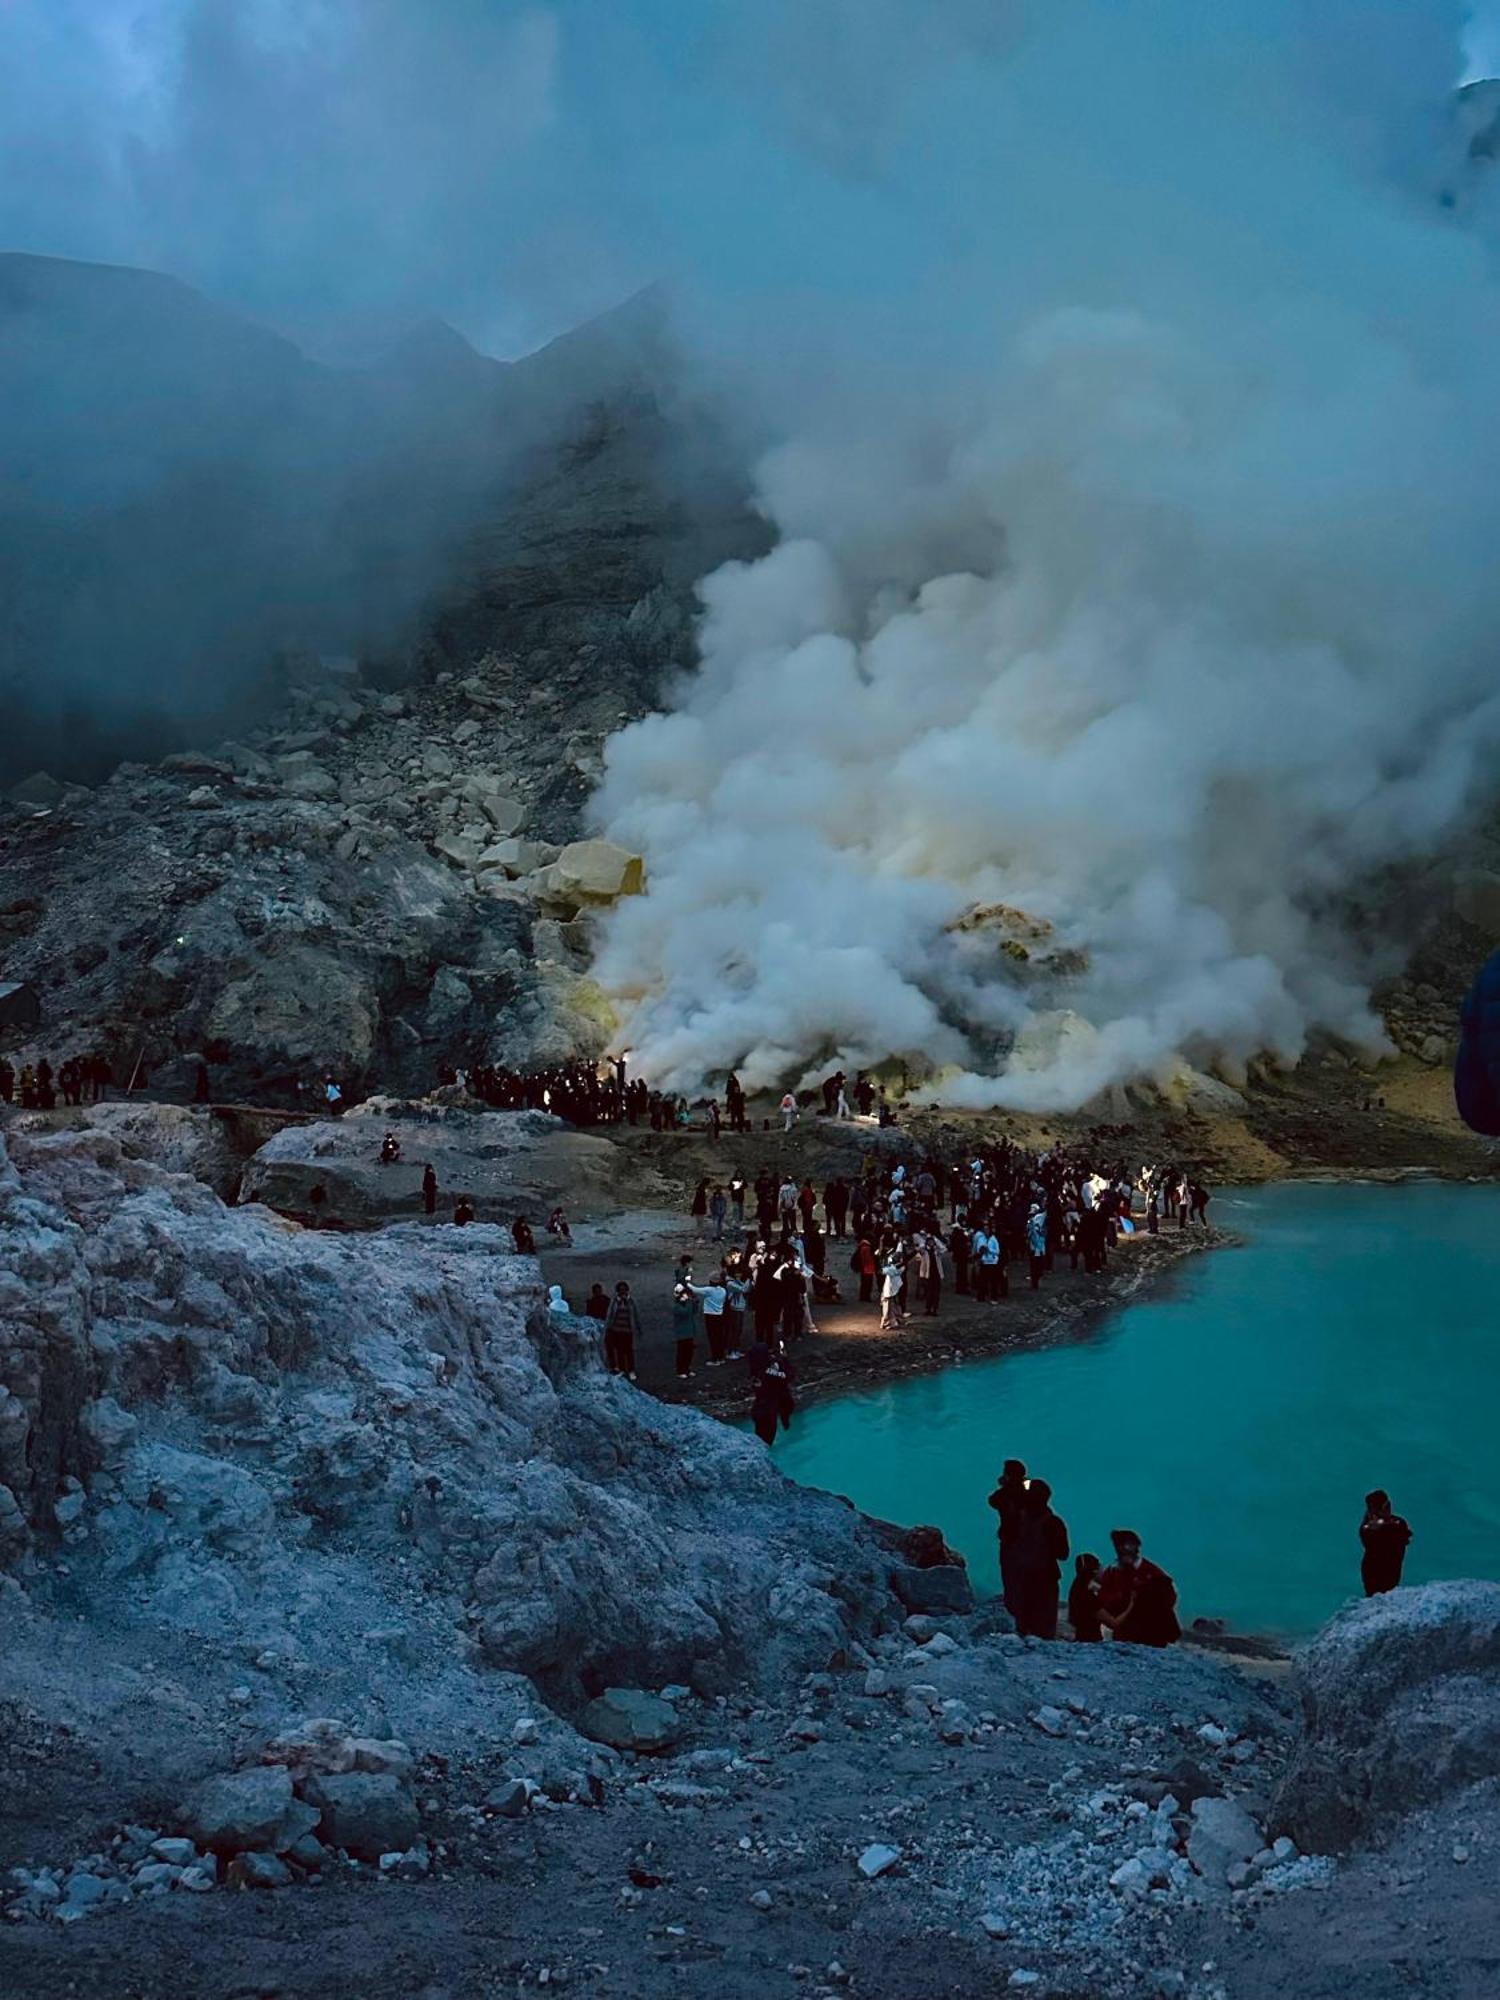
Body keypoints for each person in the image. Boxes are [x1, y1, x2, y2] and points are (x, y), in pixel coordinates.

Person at [1010, 1479, 1070, 1639]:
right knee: (1043, 1627)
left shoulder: (1018, 1519)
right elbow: (1063, 1554)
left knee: (1025, 1624)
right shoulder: (1053, 1523)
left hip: (1025, 1577)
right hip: (1043, 1577)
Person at [1098, 1530, 1180, 1647]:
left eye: (1129, 1545)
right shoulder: (1112, 1573)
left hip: (1151, 1632)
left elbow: (1169, 1598)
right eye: (1121, 1546)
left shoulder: (1152, 1573)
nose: (1125, 1549)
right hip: (1124, 1632)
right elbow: (1103, 1599)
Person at [987, 1461, 1030, 1619]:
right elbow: (1032, 1488)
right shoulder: (1027, 1489)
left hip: (1010, 1539)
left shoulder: (1005, 1493)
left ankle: (1013, 1610)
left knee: (1010, 1575)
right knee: (1024, 1576)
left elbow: (992, 1501)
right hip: (1028, 1541)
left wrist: (1005, 1485)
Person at [1360, 1489, 1413, 1595]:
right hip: (1374, 1573)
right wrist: (1378, 1528)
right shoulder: (1367, 1528)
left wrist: (1384, 1526)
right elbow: (1370, 1541)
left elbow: (1404, 1535)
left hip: (1393, 1570)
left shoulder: (1398, 1523)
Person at [751, 1354, 795, 1445]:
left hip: (758, 1410)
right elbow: (789, 1376)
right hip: (769, 1412)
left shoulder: (762, 1373)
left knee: (759, 1438)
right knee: (768, 1440)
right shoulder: (781, 1382)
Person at [603, 1280, 641, 1379]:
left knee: (629, 1351)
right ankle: (623, 1370)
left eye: (624, 1290)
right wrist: (608, 1327)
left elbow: (635, 1315)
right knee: (619, 1351)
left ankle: (631, 1370)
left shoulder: (631, 1301)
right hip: (617, 1330)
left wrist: (638, 1328)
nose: (623, 1292)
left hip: (627, 1330)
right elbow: (610, 1314)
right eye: (621, 1290)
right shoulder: (615, 1301)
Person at [1068, 1553, 1104, 1642]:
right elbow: (1114, 1623)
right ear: (1094, 1571)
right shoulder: (1089, 1597)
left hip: (1081, 1639)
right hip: (1093, 1640)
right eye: (1100, 1567)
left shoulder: (1077, 1589)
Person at [672, 1279, 701, 1378]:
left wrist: (695, 1302)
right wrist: (690, 1302)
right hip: (682, 1333)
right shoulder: (676, 1307)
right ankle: (680, 1370)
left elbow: (694, 1311)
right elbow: (686, 1313)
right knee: (682, 1352)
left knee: (689, 1352)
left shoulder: (686, 1304)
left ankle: (687, 1369)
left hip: (689, 1332)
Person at [700, 1271, 728, 1364]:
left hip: (710, 1316)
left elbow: (695, 1289)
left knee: (713, 1337)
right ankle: (721, 1357)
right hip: (720, 1315)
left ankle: (715, 1358)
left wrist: (687, 1282)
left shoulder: (709, 1290)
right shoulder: (723, 1290)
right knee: (719, 1336)